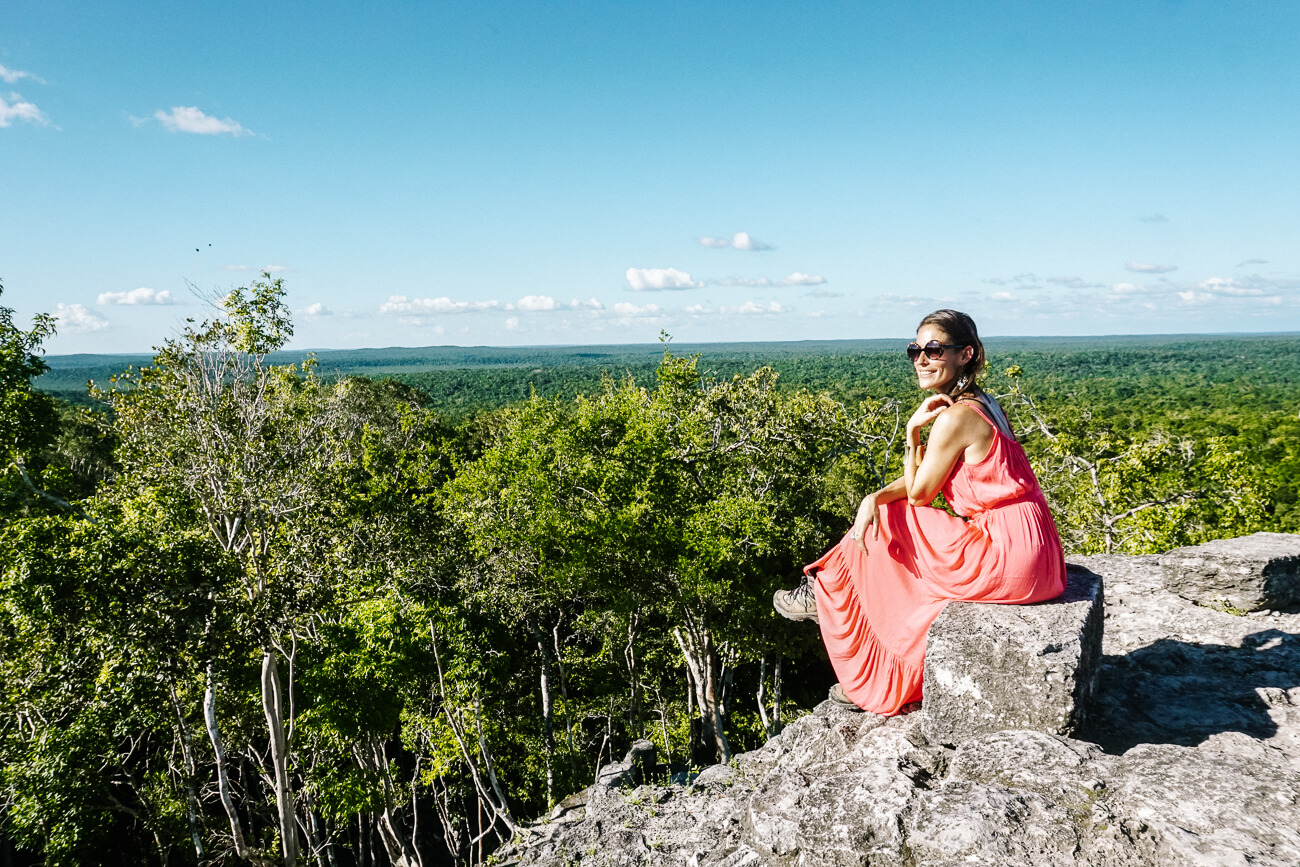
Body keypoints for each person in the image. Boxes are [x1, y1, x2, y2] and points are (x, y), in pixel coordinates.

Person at [773, 309, 1066, 714]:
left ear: (966, 354)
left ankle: (826, 595)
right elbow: (927, 478)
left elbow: (919, 496)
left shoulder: (956, 417)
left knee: (889, 522)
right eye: (915, 349)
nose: (921, 359)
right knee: (886, 514)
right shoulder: (983, 403)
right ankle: (890, 660)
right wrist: (873, 495)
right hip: (1038, 550)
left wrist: (912, 434)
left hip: (1007, 552)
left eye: (933, 349)